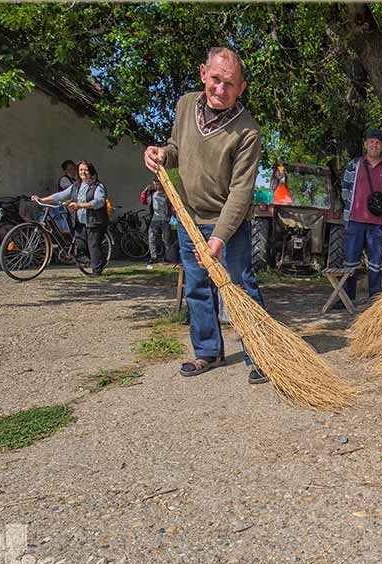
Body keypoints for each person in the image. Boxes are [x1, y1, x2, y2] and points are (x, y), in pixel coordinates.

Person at [143, 46, 267, 384]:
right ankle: (208, 352)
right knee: (198, 285)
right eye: (215, 80)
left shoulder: (247, 132)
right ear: (203, 74)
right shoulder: (185, 105)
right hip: (188, 218)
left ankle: (261, 354)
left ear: (241, 88)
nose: (220, 90)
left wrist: (217, 238)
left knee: (241, 285)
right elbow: (176, 149)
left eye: (230, 84)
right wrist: (161, 155)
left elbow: (241, 193)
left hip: (229, 223)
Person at [338, 127, 382, 306]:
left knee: (375, 263)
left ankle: (374, 301)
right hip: (355, 221)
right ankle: (347, 299)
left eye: (378, 142)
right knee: (350, 262)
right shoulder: (354, 165)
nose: (374, 144)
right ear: (365, 144)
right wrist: (352, 208)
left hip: (377, 223)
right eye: (371, 141)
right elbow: (345, 190)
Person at [31, 160, 109, 276]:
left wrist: (80, 205)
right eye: (81, 170)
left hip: (94, 221)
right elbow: (60, 196)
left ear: (91, 171)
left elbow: (99, 202)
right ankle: (98, 261)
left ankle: (96, 271)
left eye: (86, 170)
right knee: (80, 244)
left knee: (93, 245)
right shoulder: (76, 186)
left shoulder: (98, 186)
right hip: (79, 221)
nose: (83, 172)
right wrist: (42, 199)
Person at [145, 178, 172, 268]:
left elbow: (172, 205)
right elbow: (144, 201)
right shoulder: (152, 193)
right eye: (154, 184)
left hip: (165, 219)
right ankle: (154, 256)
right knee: (151, 237)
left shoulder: (167, 193)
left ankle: (167, 256)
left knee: (166, 238)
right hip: (155, 218)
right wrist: (145, 191)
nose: (156, 186)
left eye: (157, 184)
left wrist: (171, 216)